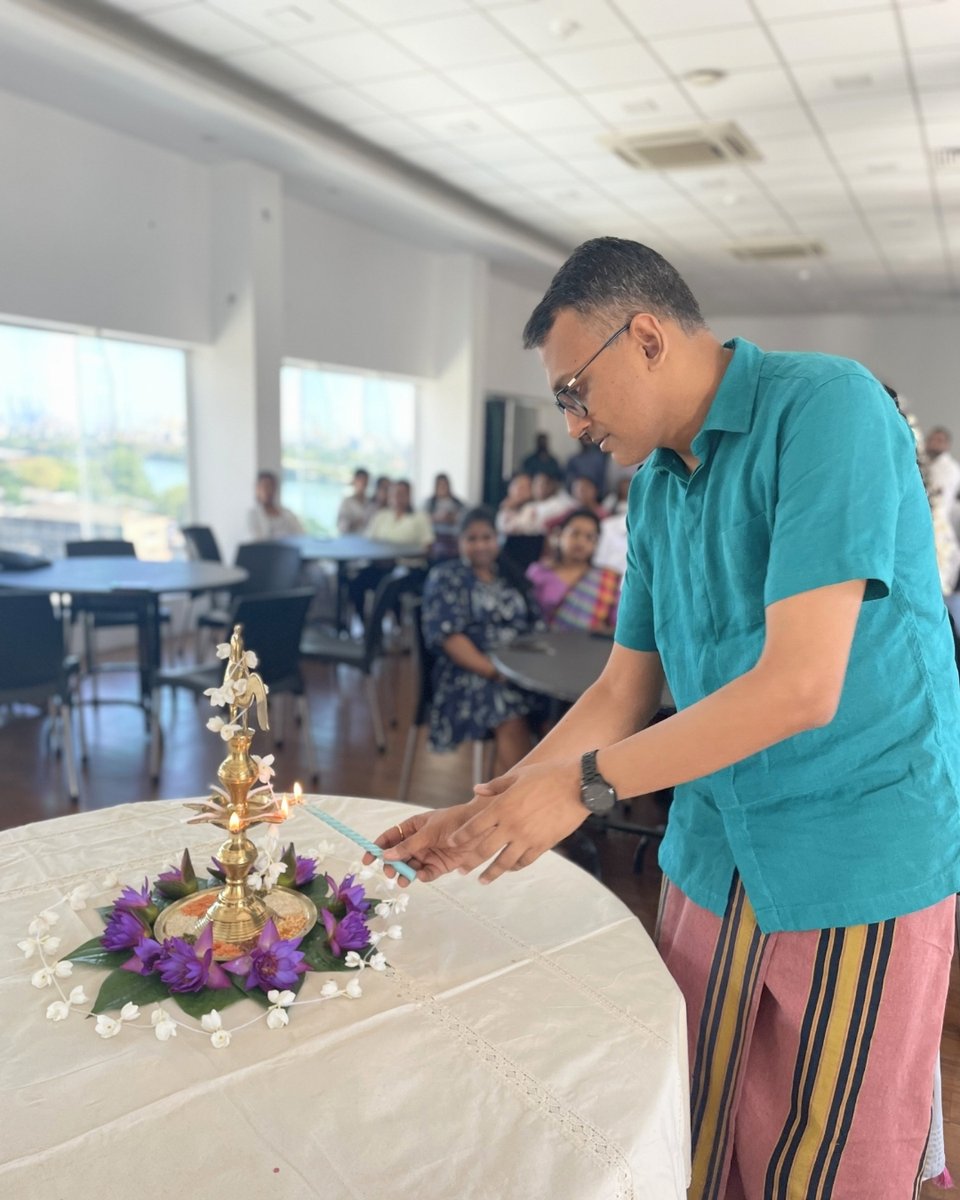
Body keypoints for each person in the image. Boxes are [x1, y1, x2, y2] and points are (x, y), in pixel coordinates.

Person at [373, 237, 960, 1199]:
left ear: (645, 336)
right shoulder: (653, 491)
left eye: (574, 390)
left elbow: (801, 685)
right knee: (694, 1123)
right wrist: (490, 806)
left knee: (820, 1160)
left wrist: (584, 785)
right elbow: (621, 690)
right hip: (715, 845)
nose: (572, 423)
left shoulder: (825, 407)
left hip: (855, 845)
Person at [422, 507, 543, 775]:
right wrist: (494, 670)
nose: (480, 545)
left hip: (523, 669)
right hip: (470, 673)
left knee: (557, 708)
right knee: (508, 707)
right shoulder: (446, 577)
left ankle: (552, 798)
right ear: (460, 542)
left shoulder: (510, 575)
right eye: (472, 539)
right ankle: (514, 800)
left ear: (498, 539)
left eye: (487, 537)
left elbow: (536, 625)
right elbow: (449, 637)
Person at [526, 508, 620, 633]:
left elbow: (618, 626)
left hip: (592, 648)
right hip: (544, 646)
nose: (581, 542)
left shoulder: (608, 579)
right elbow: (527, 617)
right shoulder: (539, 572)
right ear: (559, 535)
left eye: (589, 537)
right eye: (575, 533)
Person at [497, 470, 573, 536]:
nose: (521, 491)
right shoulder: (508, 509)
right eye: (518, 486)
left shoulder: (556, 504)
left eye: (525, 487)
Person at [247, 470, 303, 539]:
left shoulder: (288, 513)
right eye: (264, 486)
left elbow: (301, 535)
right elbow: (256, 539)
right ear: (257, 489)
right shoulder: (253, 515)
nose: (267, 491)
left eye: (270, 486)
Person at [926, 426, 960, 536]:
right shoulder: (929, 464)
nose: (934, 443)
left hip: (940, 520)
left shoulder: (950, 468)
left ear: (947, 445)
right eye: (931, 440)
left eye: (939, 440)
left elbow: (941, 499)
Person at [424, 473, 466, 560]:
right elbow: (423, 519)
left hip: (453, 537)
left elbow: (465, 518)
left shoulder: (458, 503)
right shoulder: (429, 503)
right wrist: (437, 518)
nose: (442, 488)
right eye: (440, 485)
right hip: (436, 537)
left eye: (444, 485)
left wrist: (452, 518)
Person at [336, 468, 374, 535]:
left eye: (365, 482)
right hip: (349, 540)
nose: (362, 485)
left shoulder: (371, 503)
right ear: (354, 481)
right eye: (360, 481)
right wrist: (356, 523)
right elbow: (341, 526)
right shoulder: (346, 502)